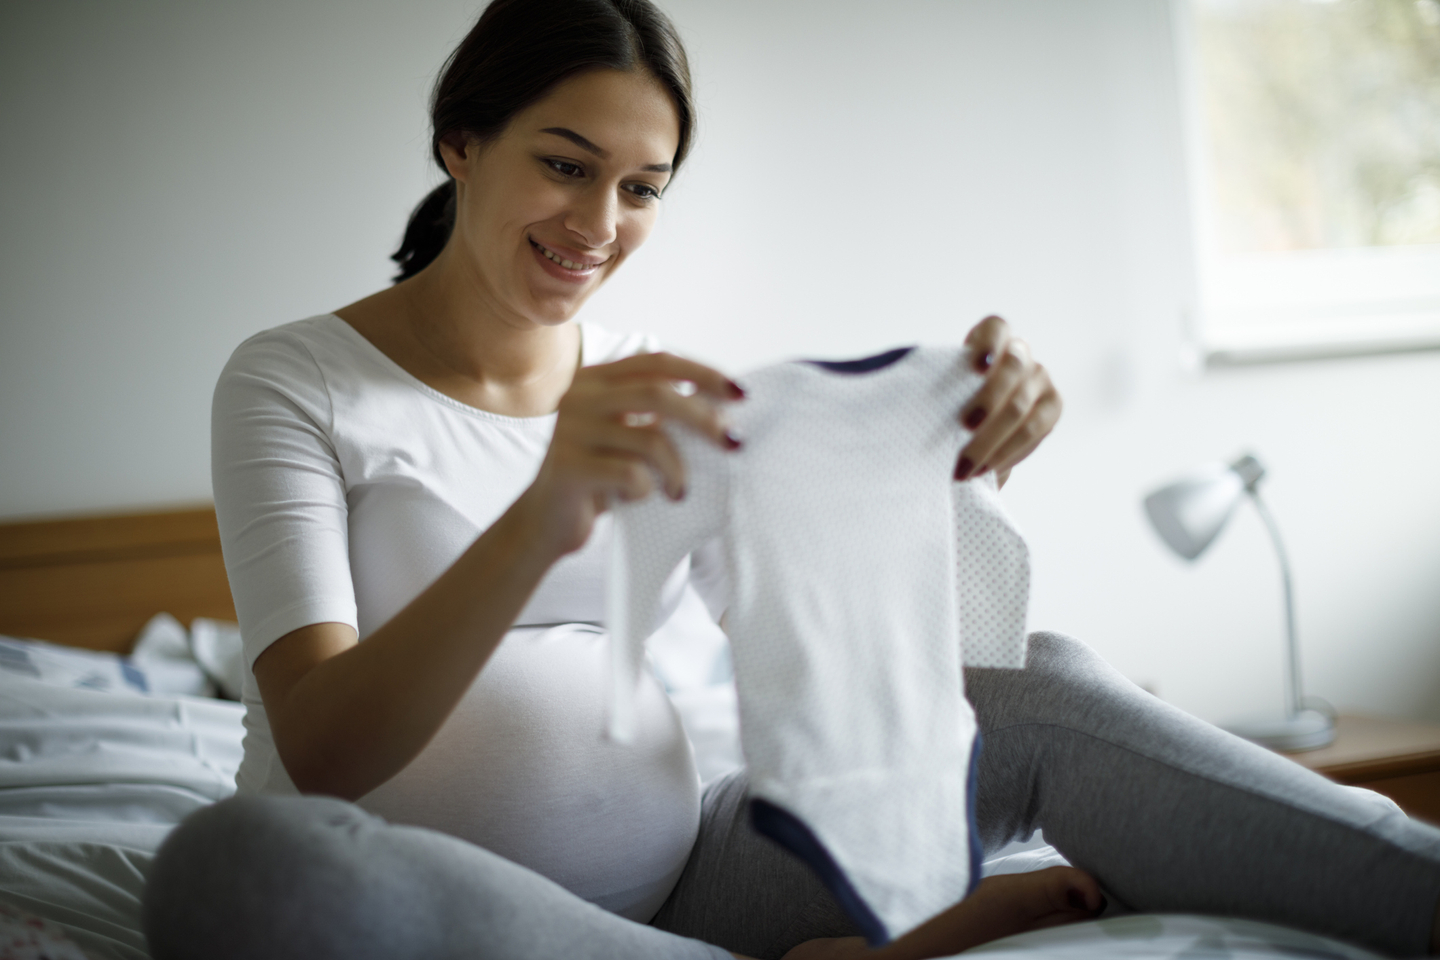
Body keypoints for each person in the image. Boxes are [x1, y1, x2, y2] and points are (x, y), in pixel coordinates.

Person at [142, 1, 1440, 957]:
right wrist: (547, 511)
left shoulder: (650, 383)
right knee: (235, 866)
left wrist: (963, 455)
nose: (601, 225)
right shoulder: (294, 379)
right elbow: (322, 746)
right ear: (460, 144)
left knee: (1041, 684)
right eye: (564, 162)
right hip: (439, 905)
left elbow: (856, 646)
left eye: (643, 186)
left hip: (700, 877)